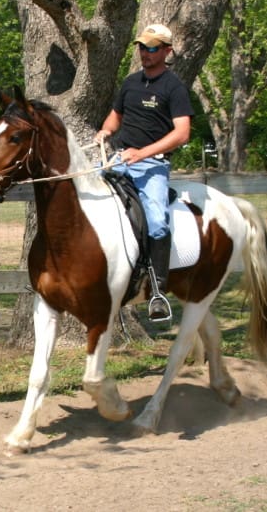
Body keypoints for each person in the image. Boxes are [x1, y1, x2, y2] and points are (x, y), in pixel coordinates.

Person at [96, 23, 194, 322]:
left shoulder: (173, 87)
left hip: (153, 165)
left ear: (167, 51)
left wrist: (143, 153)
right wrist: (105, 130)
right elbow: (115, 117)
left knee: (157, 223)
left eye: (152, 48)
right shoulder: (131, 83)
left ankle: (158, 291)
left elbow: (182, 134)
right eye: (142, 47)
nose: (145, 53)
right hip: (119, 159)